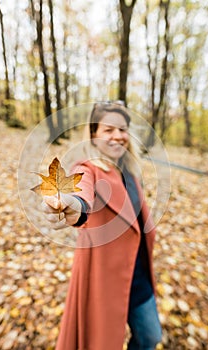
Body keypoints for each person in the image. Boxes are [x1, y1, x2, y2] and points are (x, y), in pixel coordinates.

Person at [42, 101, 162, 350]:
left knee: (150, 336)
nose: (117, 136)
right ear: (94, 135)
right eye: (109, 130)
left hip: (138, 274)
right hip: (104, 279)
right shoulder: (87, 169)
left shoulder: (130, 171)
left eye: (122, 129)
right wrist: (74, 206)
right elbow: (81, 193)